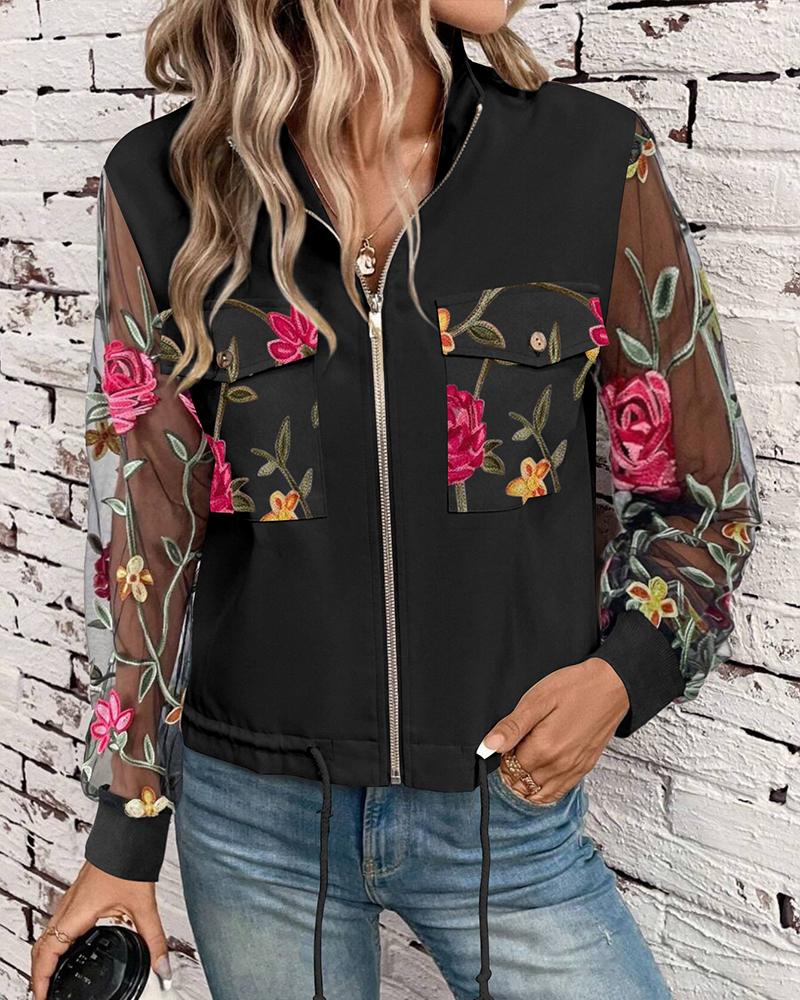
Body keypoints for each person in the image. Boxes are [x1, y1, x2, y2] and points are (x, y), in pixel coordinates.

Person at [30, 1, 761, 998]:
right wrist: (125, 830)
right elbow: (142, 531)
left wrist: (625, 673)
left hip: (502, 817)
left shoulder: (589, 159)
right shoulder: (164, 183)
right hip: (252, 828)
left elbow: (699, 494)